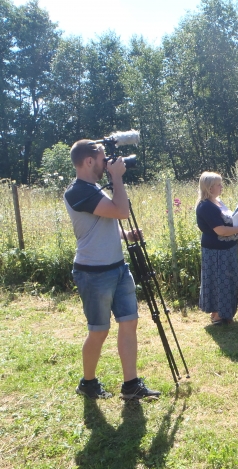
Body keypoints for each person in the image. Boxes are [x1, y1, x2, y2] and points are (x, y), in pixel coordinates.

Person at [64, 139, 160, 400]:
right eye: (104, 158)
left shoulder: (93, 188)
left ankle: (131, 385)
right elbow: (120, 210)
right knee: (99, 330)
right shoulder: (78, 191)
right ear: (89, 161)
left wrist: (125, 235)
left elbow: (104, 221)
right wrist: (117, 178)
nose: (108, 163)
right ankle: (88, 382)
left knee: (129, 322)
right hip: (93, 272)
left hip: (117, 267)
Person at [196, 172, 238, 326]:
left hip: (227, 249)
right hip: (215, 251)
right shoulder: (206, 206)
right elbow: (220, 230)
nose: (221, 187)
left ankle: (224, 313)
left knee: (227, 280)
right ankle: (217, 315)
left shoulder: (217, 202)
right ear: (209, 188)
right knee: (219, 281)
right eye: (218, 184)